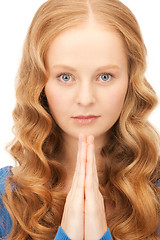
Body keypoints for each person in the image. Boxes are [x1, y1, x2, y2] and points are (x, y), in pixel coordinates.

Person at [0, 0, 160, 239]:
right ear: (40, 83)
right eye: (65, 77)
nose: (85, 99)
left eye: (104, 76)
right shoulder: (5, 198)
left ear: (131, 79)